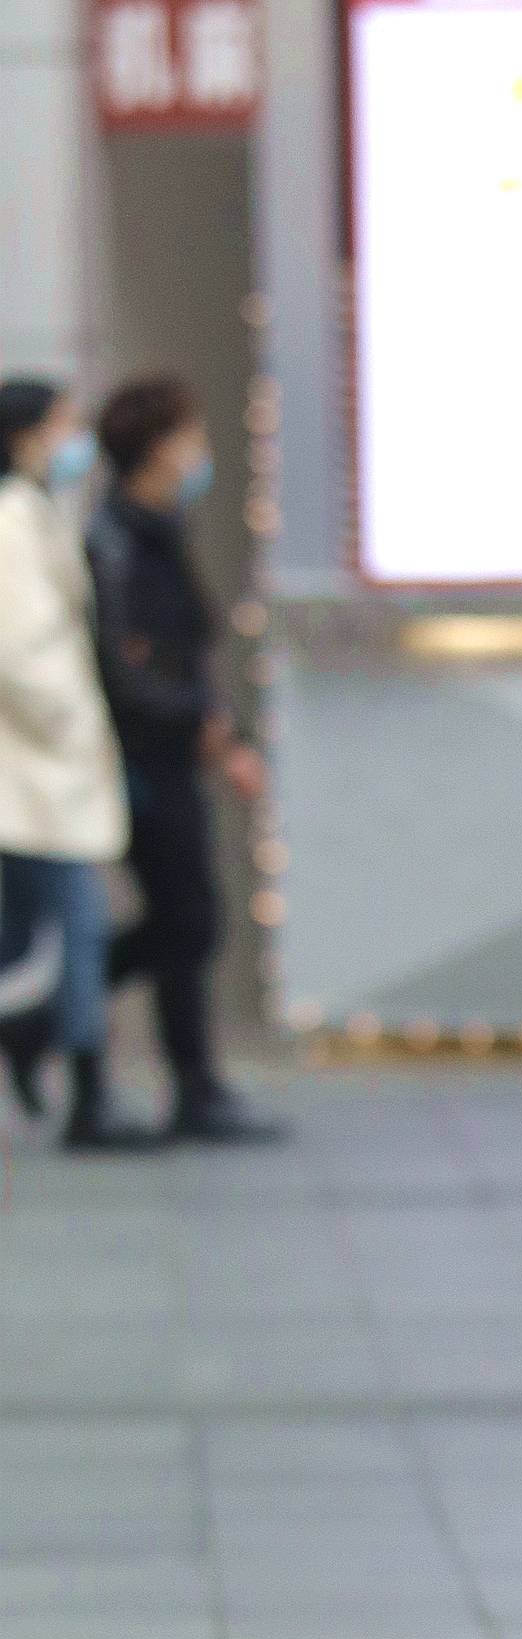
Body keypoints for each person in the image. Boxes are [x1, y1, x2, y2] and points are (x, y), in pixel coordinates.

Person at [87, 374, 284, 1142]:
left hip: (172, 748)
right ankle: (52, 1014)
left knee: (190, 918)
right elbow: (127, 666)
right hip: (143, 756)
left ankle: (193, 1083)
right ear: (156, 447)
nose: (201, 451)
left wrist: (217, 728)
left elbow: (179, 652)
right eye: (189, 436)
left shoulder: (159, 530)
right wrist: (198, 724)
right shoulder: (115, 541)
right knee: (183, 917)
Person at [0, 378, 149, 1148]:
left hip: (39, 770)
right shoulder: (11, 519)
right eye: (62, 425)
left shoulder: (33, 512)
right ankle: (85, 1090)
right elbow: (23, 650)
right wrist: (72, 724)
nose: (73, 441)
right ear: (25, 434)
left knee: (41, 934)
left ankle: (42, 1050)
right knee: (77, 927)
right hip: (34, 769)